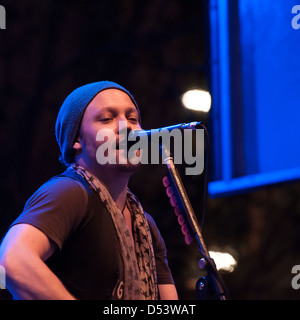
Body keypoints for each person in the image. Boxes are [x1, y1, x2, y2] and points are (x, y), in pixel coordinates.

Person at [0, 81, 178, 300]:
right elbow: (10, 261)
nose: (127, 127)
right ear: (76, 139)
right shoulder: (68, 191)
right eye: (107, 118)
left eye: (133, 119)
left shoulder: (145, 225)